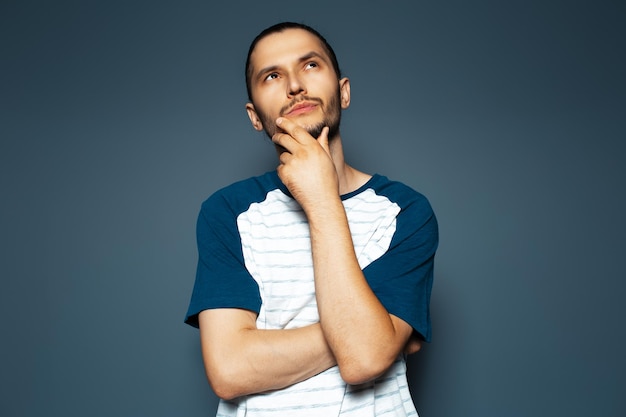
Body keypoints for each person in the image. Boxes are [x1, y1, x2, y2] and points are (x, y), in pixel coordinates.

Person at [185, 22, 438, 417]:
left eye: (310, 66)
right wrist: (376, 335)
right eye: (272, 75)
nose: (294, 86)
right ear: (255, 117)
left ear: (343, 91)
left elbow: (363, 362)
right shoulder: (229, 212)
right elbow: (229, 370)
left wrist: (321, 199)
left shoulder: (405, 211)